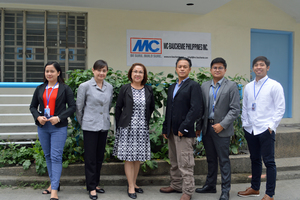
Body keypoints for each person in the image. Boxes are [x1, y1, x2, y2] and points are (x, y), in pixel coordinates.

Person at [238, 56, 285, 200]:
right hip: (251, 128)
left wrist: (271, 126)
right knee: (255, 159)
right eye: (256, 65)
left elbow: (280, 108)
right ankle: (255, 188)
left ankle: (269, 194)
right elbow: (245, 106)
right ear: (253, 68)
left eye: (262, 65)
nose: (259, 67)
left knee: (269, 162)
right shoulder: (249, 86)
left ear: (267, 68)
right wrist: (245, 123)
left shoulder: (274, 85)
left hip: (266, 129)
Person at [195, 57, 240, 200]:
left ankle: (225, 190)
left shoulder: (231, 86)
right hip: (208, 127)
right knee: (211, 159)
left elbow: (235, 109)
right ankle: (210, 185)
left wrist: (222, 124)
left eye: (220, 67)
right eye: (215, 67)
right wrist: (200, 127)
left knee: (223, 160)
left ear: (225, 70)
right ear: (210, 70)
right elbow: (201, 108)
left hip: (222, 129)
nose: (217, 70)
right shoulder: (205, 85)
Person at [29, 61, 76, 200]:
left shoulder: (65, 88)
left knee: (56, 157)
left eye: (52, 71)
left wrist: (59, 117)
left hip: (58, 127)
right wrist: (38, 117)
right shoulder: (40, 88)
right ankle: (53, 183)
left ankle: (54, 190)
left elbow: (72, 107)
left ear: (58, 73)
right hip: (43, 127)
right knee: (48, 156)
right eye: (47, 71)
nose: (49, 74)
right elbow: (32, 107)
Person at [159, 57, 203, 200]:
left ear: (190, 69)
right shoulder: (172, 87)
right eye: (180, 66)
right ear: (176, 69)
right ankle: (176, 185)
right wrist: (166, 128)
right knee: (174, 161)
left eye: (185, 66)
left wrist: (184, 127)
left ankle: (188, 191)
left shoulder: (193, 86)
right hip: (172, 131)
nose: (182, 69)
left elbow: (196, 109)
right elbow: (169, 109)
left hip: (184, 132)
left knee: (185, 162)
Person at [113, 63, 155, 199]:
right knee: (129, 159)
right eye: (135, 71)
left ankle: (134, 182)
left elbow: (151, 108)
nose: (138, 74)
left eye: (140, 72)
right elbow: (118, 108)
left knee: (138, 159)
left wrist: (145, 121)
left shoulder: (148, 90)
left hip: (142, 128)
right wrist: (120, 126)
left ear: (144, 75)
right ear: (131, 74)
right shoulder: (125, 89)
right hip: (127, 128)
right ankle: (130, 186)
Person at [76, 60, 113, 200]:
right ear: (93, 70)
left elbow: (108, 106)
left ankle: (96, 183)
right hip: (89, 126)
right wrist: (84, 122)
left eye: (104, 70)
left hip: (103, 126)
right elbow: (79, 108)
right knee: (90, 158)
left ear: (107, 72)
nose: (101, 73)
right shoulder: (84, 86)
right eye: (99, 70)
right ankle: (91, 187)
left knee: (99, 157)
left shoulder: (109, 87)